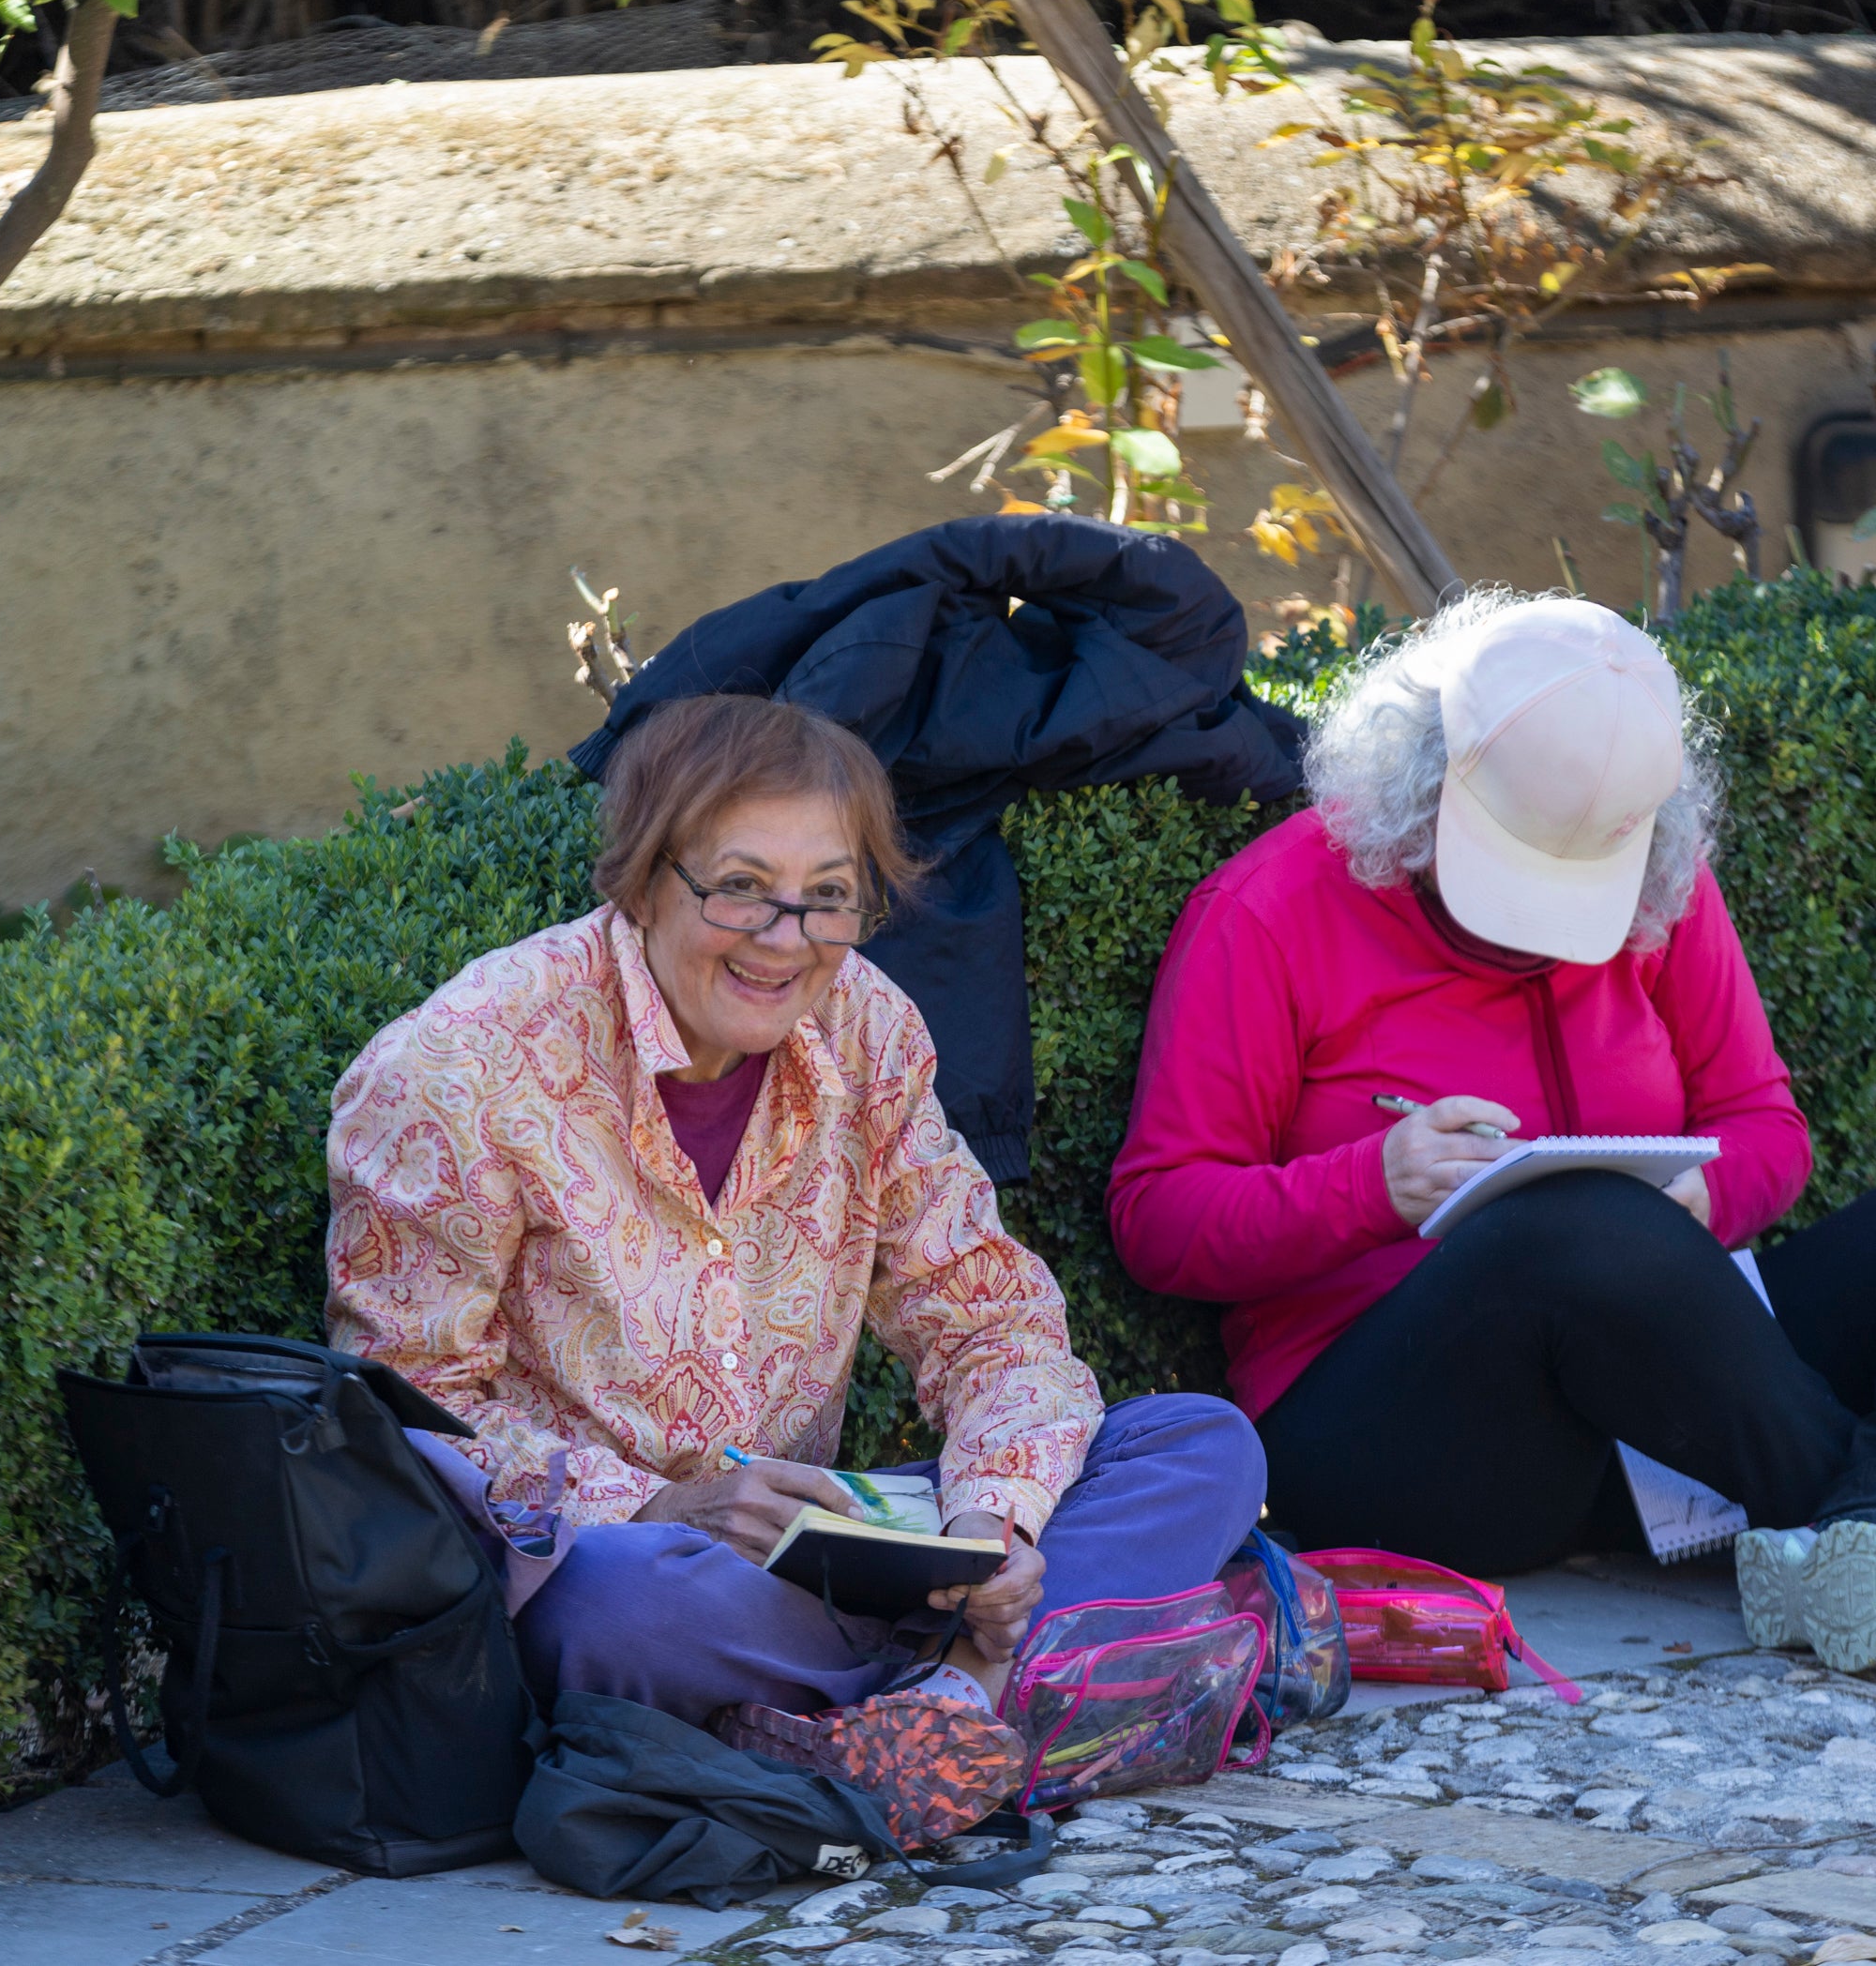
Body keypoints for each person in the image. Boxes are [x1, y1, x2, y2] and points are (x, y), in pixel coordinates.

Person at [1106, 592, 1876, 1676]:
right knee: (1573, 1233)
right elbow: (1159, 1218)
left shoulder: (1655, 883)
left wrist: (1700, 1208)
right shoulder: (1268, 909)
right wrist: (1374, 1184)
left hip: (1672, 1388)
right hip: (1403, 1438)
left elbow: (1765, 1127)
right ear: (1417, 784)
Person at [325, 692, 1265, 1845]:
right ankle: (1066, 1675)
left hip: (832, 1561)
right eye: (739, 889)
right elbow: (405, 1419)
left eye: (829, 898)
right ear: (640, 875)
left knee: (1198, 1444)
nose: (785, 940)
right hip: (636, 1569)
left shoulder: (867, 1028)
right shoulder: (459, 1069)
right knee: (624, 1613)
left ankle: (932, 1704)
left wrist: (998, 1528)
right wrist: (662, 1504)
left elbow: (989, 1318)